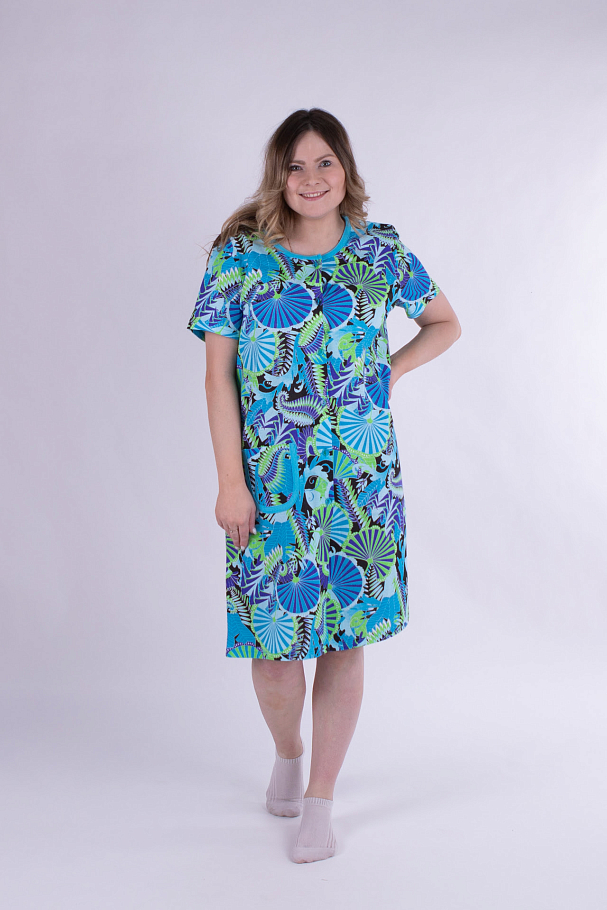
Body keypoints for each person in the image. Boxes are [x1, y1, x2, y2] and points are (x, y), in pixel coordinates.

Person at [187, 108, 461, 863]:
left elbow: (444, 323)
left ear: (346, 169)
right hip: (269, 485)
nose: (311, 179)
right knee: (275, 653)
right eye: (295, 167)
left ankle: (321, 799)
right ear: (278, 177)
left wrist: (389, 371)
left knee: (345, 639)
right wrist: (230, 483)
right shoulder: (239, 258)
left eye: (324, 163)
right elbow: (216, 377)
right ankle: (287, 751)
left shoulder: (380, 251)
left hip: (360, 483)